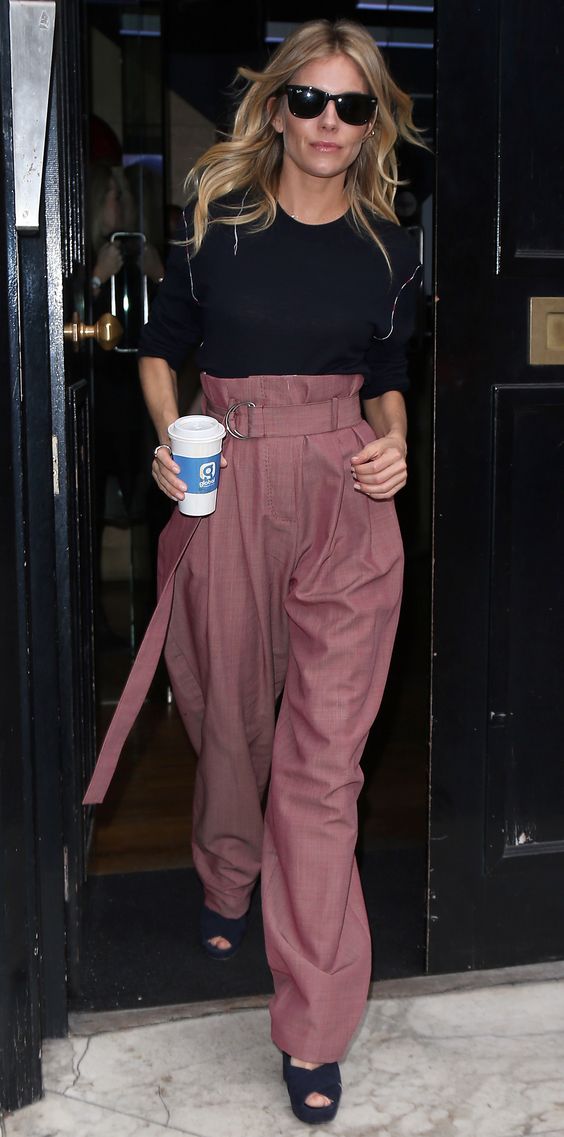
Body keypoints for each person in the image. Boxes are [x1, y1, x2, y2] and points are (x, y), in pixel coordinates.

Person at [84, 17, 425, 1125]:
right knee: (230, 719)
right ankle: (227, 870)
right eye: (310, 99)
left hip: (347, 498)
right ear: (277, 110)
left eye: (353, 105)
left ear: (372, 123)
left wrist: (397, 440)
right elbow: (159, 352)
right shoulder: (216, 227)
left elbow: (387, 372)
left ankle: (315, 1026)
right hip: (228, 479)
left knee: (323, 770)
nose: (330, 121)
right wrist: (169, 441)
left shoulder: (392, 248)